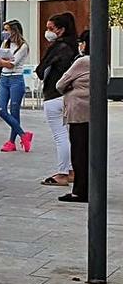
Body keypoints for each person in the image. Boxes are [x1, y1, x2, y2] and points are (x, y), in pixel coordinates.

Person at [36, 12, 78, 187]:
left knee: (60, 136)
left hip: (54, 95)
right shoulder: (73, 46)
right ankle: (70, 171)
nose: (48, 32)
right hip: (68, 95)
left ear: (61, 30)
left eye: (50, 29)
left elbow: (41, 70)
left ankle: (62, 173)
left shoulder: (58, 47)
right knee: (67, 135)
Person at [56, 30, 90, 202]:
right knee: (88, 152)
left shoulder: (82, 61)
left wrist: (71, 88)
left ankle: (80, 191)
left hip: (78, 112)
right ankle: (89, 187)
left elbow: (60, 83)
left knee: (78, 153)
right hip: (94, 113)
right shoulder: (102, 60)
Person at [0, 20, 32, 152]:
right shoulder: (5, 43)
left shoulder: (23, 46)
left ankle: (11, 142)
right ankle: (23, 135)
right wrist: (5, 62)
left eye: (7, 29)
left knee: (15, 111)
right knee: (1, 109)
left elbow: (12, 64)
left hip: (16, 79)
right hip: (4, 79)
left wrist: (5, 62)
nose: (5, 33)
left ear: (14, 30)